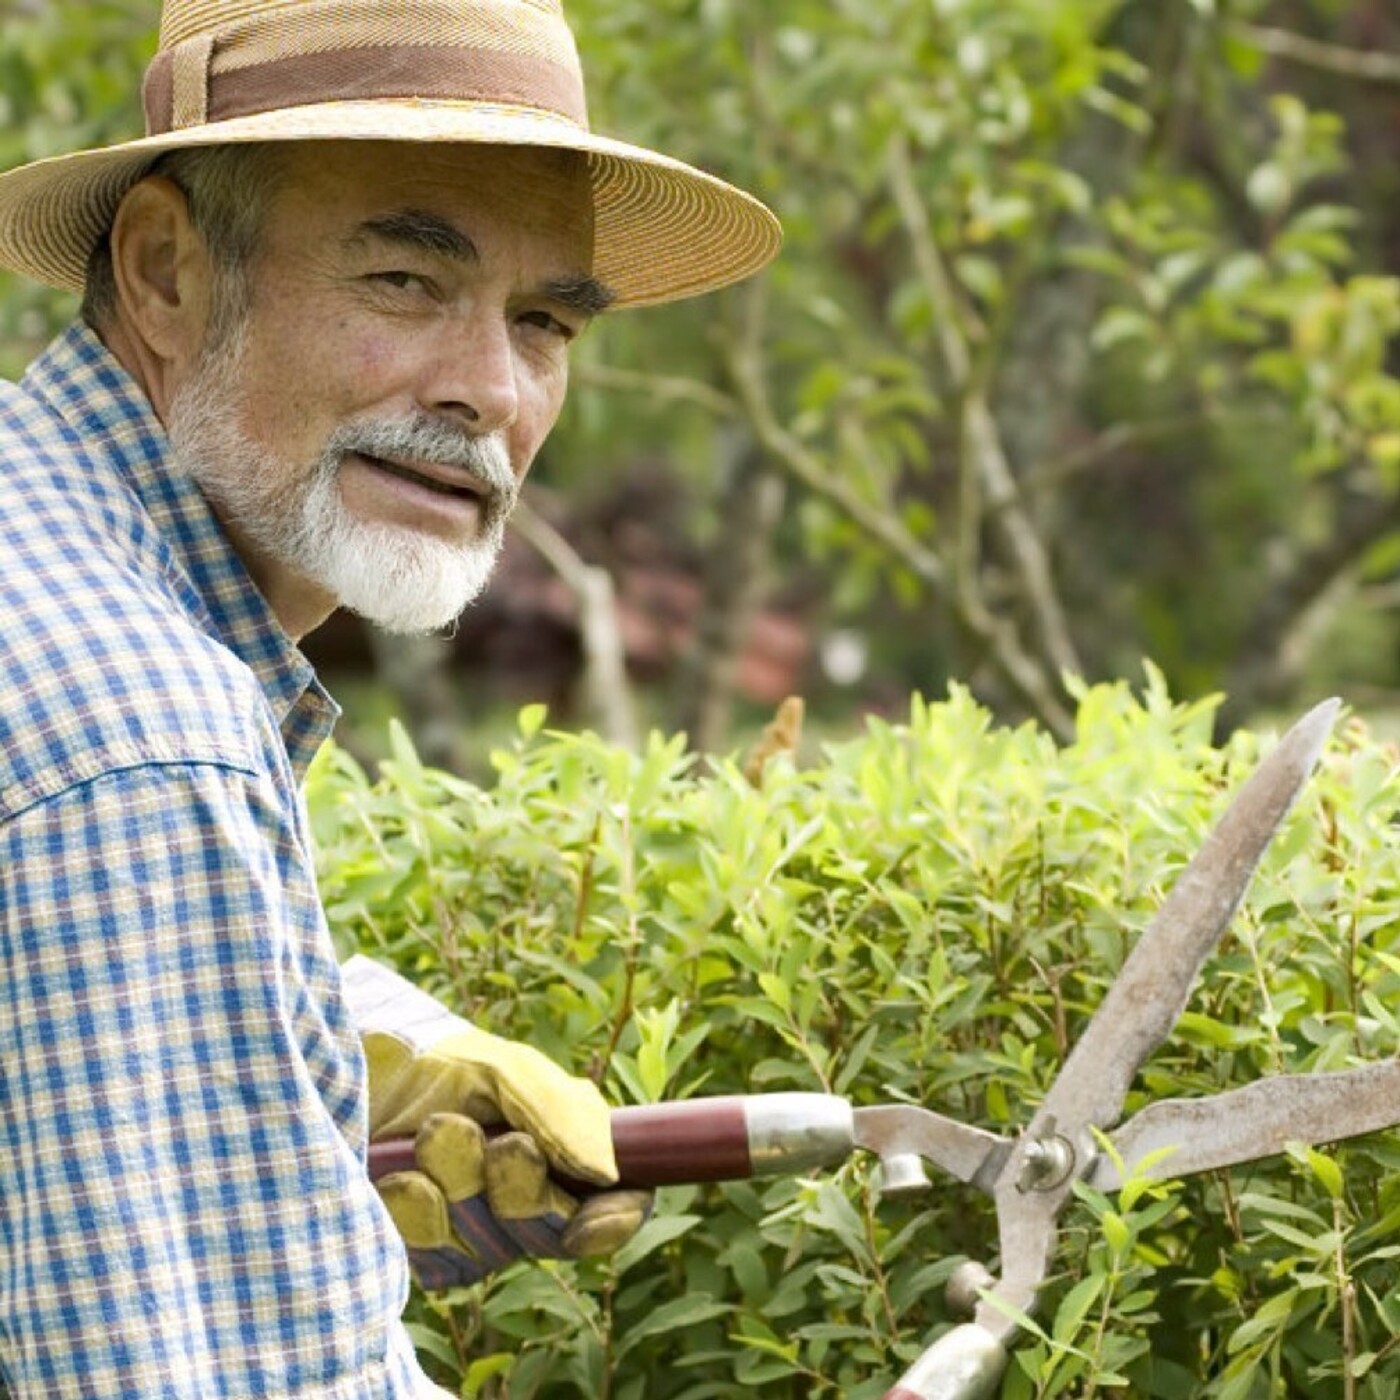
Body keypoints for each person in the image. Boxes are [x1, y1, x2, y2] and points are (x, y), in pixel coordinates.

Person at [0, 0, 780, 1395]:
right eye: (407, 283)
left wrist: (357, 1053)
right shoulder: (142, 746)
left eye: (542, 321)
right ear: (167, 272)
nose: (490, 393)